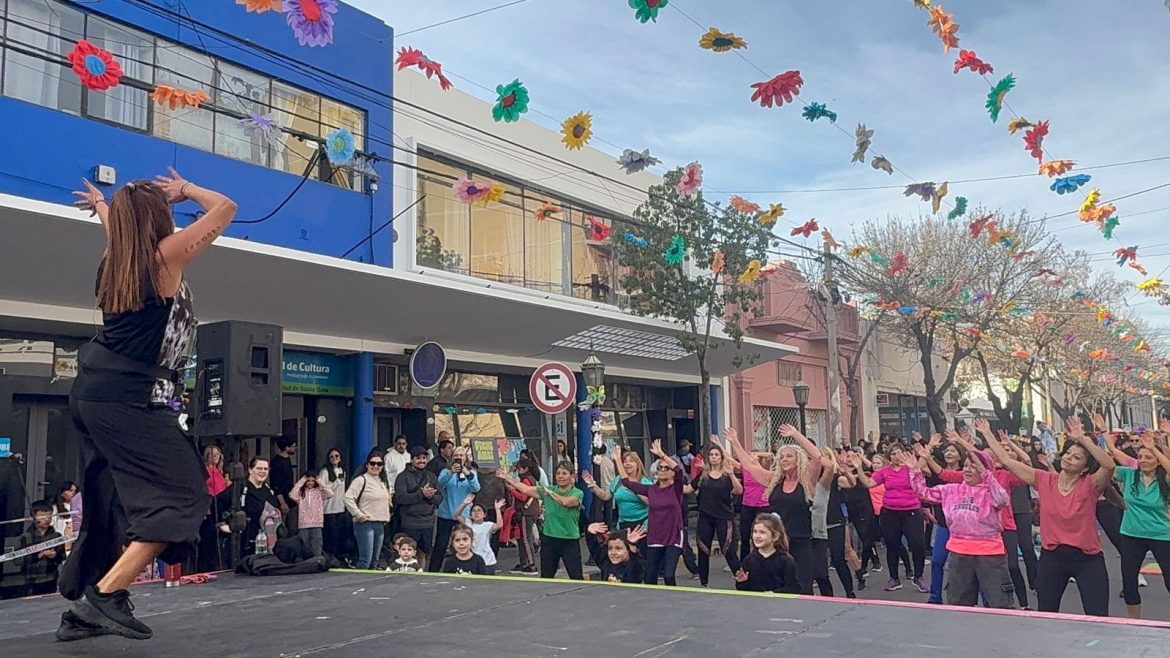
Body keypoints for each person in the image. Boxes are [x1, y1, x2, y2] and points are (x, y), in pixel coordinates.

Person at [67, 170, 231, 641]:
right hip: (129, 398)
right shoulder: (164, 257)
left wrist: (103, 205)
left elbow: (115, 228)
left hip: (98, 393)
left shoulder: (116, 257)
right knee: (185, 495)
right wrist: (189, 190)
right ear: (157, 219)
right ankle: (105, 596)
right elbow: (226, 208)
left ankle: (85, 608)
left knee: (111, 500)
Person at [979, 417, 1115, 617]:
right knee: (1046, 614)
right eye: (1068, 454)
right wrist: (987, 433)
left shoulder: (1091, 485)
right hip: (1052, 558)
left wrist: (1083, 439)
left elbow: (1109, 466)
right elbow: (1008, 461)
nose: (1069, 458)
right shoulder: (1044, 479)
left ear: (1085, 468)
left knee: (1098, 616)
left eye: (1077, 457)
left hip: (1087, 559)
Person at [909, 449, 1014, 608]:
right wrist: (915, 471)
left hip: (989, 554)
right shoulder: (952, 490)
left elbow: (1003, 500)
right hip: (959, 554)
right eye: (965, 466)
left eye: (974, 466)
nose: (967, 470)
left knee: (999, 604)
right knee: (958, 605)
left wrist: (986, 474)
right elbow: (923, 493)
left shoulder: (991, 491)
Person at [729, 425, 825, 595]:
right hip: (776, 544)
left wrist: (795, 434)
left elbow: (817, 457)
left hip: (800, 541)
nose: (784, 459)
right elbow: (749, 466)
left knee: (803, 588)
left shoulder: (806, 481)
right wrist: (735, 442)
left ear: (798, 460)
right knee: (775, 587)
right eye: (781, 457)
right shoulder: (774, 480)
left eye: (789, 456)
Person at [1106, 433, 1170, 619]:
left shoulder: (1164, 479)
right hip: (1132, 534)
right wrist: (1104, 437)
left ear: (1157, 461)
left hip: (1162, 535)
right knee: (1129, 582)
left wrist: (1154, 449)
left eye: (1148, 457)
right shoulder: (1129, 475)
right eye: (1140, 457)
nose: (1143, 460)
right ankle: (1134, 623)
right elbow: (1109, 463)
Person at [852, 442, 929, 593]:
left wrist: (924, 454)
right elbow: (868, 483)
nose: (896, 456)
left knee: (918, 545)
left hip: (912, 512)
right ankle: (894, 578)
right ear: (889, 456)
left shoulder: (911, 468)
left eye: (899, 453)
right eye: (893, 454)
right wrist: (859, 467)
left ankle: (918, 577)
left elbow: (921, 478)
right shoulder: (884, 471)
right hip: (890, 513)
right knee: (892, 546)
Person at [616, 441, 687, 586]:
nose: (662, 470)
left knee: (668, 575)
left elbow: (679, 470)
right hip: (655, 536)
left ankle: (673, 597)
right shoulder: (651, 489)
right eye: (659, 467)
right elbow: (627, 483)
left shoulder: (676, 488)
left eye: (666, 468)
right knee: (649, 576)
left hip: (673, 536)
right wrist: (618, 460)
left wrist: (661, 455)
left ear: (672, 473)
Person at [497, 461, 584, 580]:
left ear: (571, 476)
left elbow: (566, 502)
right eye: (558, 473)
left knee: (576, 577)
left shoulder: (577, 493)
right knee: (546, 577)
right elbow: (525, 489)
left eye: (564, 473)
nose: (560, 476)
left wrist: (551, 493)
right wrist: (506, 477)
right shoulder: (548, 490)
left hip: (569, 541)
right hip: (549, 540)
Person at [694, 443, 743, 588]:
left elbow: (739, 490)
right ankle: (704, 584)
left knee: (728, 550)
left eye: (716, 455)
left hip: (724, 517)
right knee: (703, 550)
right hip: (705, 518)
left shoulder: (726, 475)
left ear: (721, 458)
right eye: (711, 455)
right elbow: (688, 488)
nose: (714, 457)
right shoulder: (703, 475)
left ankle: (742, 580)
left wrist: (732, 474)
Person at [814, 447, 856, 598]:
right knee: (819, 566)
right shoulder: (808, 478)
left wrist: (846, 472)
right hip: (816, 526)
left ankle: (850, 592)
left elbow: (851, 483)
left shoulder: (834, 477)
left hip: (834, 523)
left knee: (838, 560)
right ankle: (827, 596)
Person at [428, 453, 481, 572]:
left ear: (465, 458)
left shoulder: (471, 472)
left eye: (461, 455)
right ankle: (433, 571)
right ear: (452, 458)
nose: (459, 457)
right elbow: (440, 485)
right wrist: (451, 472)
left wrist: (468, 474)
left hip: (464, 514)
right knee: (440, 545)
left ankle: (467, 569)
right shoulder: (445, 471)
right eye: (456, 455)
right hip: (446, 513)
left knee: (465, 543)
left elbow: (476, 488)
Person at [394, 446, 443, 570]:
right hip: (409, 523)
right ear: (412, 460)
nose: (422, 461)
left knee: (425, 553)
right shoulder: (402, 477)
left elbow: (439, 498)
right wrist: (421, 494)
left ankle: (421, 574)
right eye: (418, 458)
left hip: (428, 523)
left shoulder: (431, 476)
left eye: (424, 458)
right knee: (407, 553)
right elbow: (400, 498)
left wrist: (430, 496)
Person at [344, 452, 391, 570]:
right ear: (367, 465)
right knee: (366, 560)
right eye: (372, 463)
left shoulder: (383, 481)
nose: (376, 466)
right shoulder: (360, 480)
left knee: (374, 561)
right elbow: (348, 498)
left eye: (379, 464)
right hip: (365, 523)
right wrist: (358, 514)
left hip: (380, 523)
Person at [733, 513, 801, 594]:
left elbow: (794, 587)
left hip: (778, 601)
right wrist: (742, 582)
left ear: (775, 536)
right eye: (755, 532)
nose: (757, 536)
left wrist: (774, 593)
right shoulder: (749, 560)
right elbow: (745, 591)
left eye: (762, 532)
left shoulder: (786, 561)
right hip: (755, 601)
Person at [20, 500, 67, 597]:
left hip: (50, 578)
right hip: (31, 580)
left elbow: (62, 557)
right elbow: (18, 560)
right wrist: (39, 555)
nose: (47, 519)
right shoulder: (26, 537)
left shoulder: (57, 536)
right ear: (33, 517)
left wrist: (55, 555)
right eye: (42, 516)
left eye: (49, 515)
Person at [506, 459, 542, 574]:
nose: (518, 471)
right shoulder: (532, 479)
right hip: (530, 511)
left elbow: (523, 497)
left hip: (526, 512)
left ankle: (531, 564)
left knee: (526, 538)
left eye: (519, 468)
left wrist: (512, 490)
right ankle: (524, 562)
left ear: (525, 469)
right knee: (521, 538)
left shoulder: (526, 480)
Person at [456, 495, 506, 574]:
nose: (476, 513)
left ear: (484, 515)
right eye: (474, 511)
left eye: (479, 510)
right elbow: (457, 515)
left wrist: (497, 509)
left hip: (487, 560)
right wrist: (464, 504)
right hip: (472, 559)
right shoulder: (468, 524)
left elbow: (499, 525)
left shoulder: (487, 525)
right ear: (470, 515)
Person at [739, 452, 773, 562]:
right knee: (745, 535)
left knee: (761, 534)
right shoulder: (744, 468)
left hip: (762, 506)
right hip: (747, 505)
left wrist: (756, 455)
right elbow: (729, 459)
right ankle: (744, 562)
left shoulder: (763, 471)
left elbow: (770, 455)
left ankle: (760, 560)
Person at [290, 470, 332, 558]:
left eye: (312, 481)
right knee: (303, 543)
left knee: (317, 543)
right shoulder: (301, 493)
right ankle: (305, 561)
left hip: (317, 522)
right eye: (308, 481)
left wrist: (319, 480)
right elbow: (292, 495)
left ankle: (317, 560)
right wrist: (302, 480)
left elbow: (330, 493)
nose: (310, 483)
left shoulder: (319, 492)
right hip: (303, 523)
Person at [319, 449, 350, 563]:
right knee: (330, 536)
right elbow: (323, 490)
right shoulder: (324, 472)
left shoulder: (342, 471)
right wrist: (337, 482)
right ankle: (329, 557)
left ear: (340, 458)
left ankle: (339, 557)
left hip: (340, 508)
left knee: (340, 535)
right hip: (328, 509)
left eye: (337, 456)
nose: (334, 458)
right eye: (331, 456)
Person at [269, 436, 297, 527]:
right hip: (282, 499)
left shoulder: (287, 459)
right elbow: (275, 483)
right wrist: (282, 502)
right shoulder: (277, 462)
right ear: (287, 448)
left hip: (289, 497)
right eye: (293, 446)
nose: (295, 448)